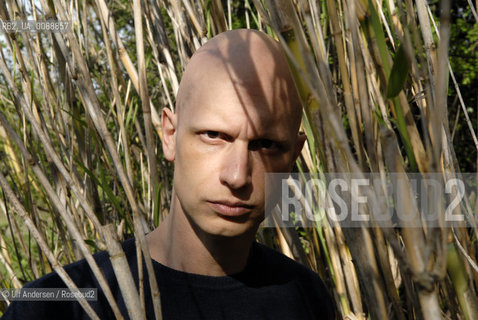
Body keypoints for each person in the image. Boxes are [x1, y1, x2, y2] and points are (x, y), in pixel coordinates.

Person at [1, 29, 335, 320]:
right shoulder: (60, 307)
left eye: (265, 144)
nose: (237, 176)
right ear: (170, 135)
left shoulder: (304, 297)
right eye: (214, 136)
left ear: (293, 155)